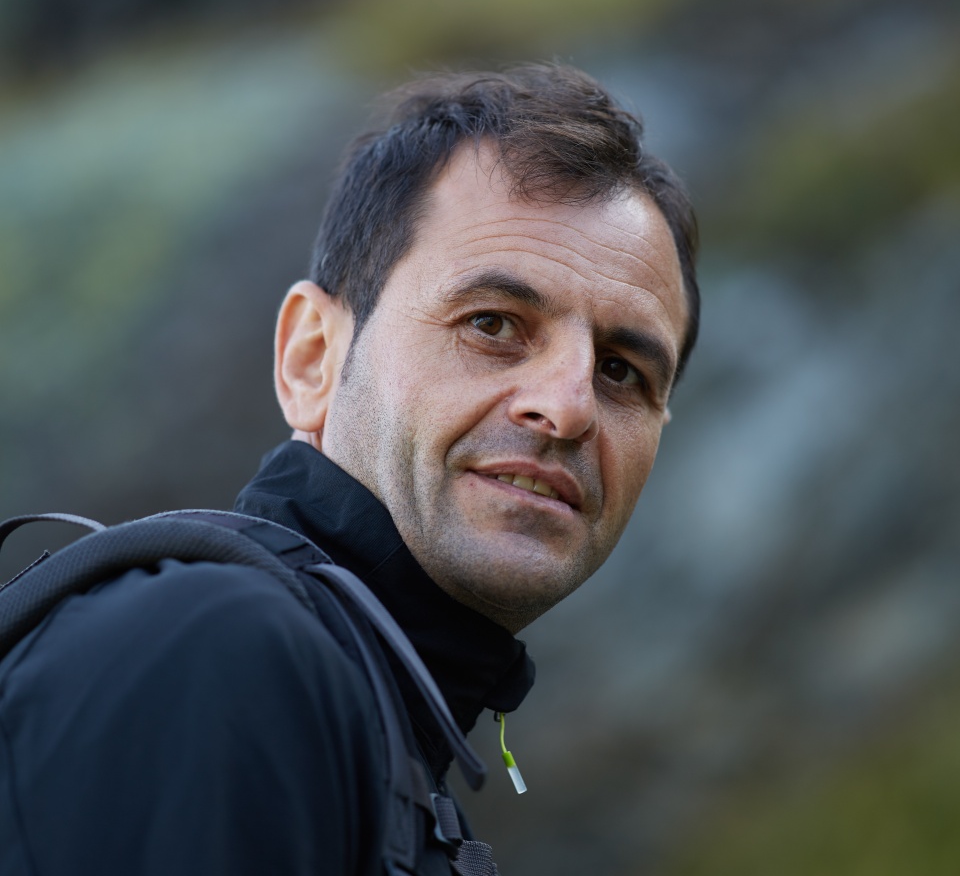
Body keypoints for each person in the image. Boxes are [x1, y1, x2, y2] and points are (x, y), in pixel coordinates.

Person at [0, 63, 699, 874]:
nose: (569, 405)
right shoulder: (220, 651)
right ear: (312, 357)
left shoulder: (360, 704)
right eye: (493, 324)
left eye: (622, 372)